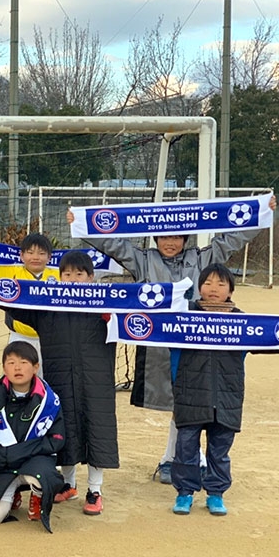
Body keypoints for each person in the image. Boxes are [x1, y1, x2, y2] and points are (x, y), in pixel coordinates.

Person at [67, 194, 276, 483]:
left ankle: (181, 460)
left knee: (195, 400)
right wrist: (83, 224)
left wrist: (260, 215)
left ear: (186, 237)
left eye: (177, 235)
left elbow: (232, 240)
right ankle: (177, 458)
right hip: (160, 345)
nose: (170, 241)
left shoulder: (203, 258)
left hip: (201, 345)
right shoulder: (143, 260)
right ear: (155, 237)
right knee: (179, 402)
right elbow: (114, 244)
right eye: (164, 235)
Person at [1, 251, 118, 515]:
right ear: (60, 277)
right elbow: (18, 305)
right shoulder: (49, 307)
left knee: (96, 429)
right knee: (65, 429)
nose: (73, 279)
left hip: (96, 382)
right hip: (61, 377)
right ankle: (68, 483)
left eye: (79, 274)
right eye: (67, 274)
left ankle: (95, 490)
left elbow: (137, 319)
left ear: (91, 277)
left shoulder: (106, 307)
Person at [170, 264, 248, 516]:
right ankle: (184, 493)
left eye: (221, 284)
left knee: (220, 451)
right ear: (199, 287)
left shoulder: (243, 321)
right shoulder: (183, 315)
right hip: (190, 392)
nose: (213, 289)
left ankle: (216, 493)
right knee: (185, 448)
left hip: (227, 394)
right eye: (208, 283)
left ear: (231, 290)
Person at [0, 341, 65, 533]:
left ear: (35, 367)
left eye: (23, 362)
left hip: (32, 462)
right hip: (1, 465)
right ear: (3, 368)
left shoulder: (49, 401)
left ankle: (37, 495)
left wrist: (18, 452)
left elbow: (57, 439)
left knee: (43, 478)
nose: (17, 367)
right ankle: (12, 491)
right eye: (11, 362)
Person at [0, 232, 60, 357]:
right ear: (22, 256)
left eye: (41, 254)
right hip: (19, 338)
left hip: (52, 340)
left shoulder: (60, 275)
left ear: (49, 257)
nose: (35, 257)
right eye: (30, 253)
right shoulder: (11, 272)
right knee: (18, 373)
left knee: (49, 376)